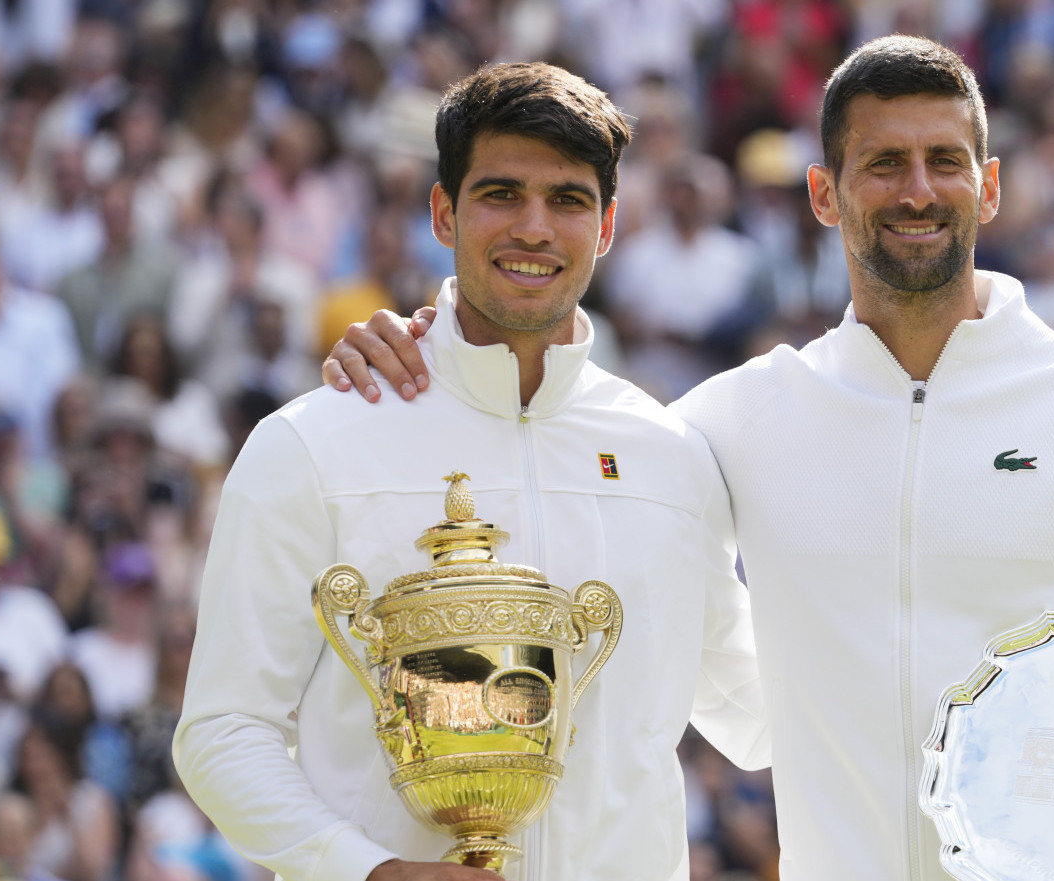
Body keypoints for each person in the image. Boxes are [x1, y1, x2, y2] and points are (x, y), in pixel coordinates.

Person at [325, 37, 1054, 881]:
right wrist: (426, 355)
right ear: (825, 193)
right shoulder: (725, 421)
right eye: (883, 163)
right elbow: (545, 440)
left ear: (989, 188)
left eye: (945, 161)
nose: (917, 190)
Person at [173, 62, 768, 881]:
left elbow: (757, 714)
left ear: (607, 225)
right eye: (501, 194)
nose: (533, 227)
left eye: (567, 199)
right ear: (443, 211)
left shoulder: (670, 454)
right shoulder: (313, 442)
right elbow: (221, 730)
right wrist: (371, 871)